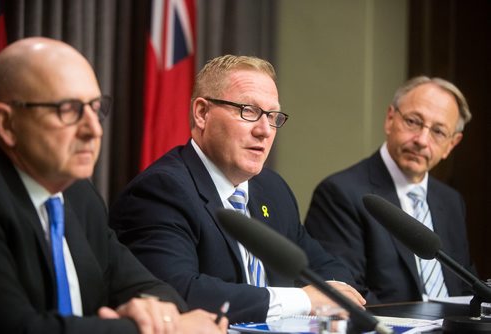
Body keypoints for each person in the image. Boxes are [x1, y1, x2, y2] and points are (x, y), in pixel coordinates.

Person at [0, 37, 227, 334]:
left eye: (95, 108)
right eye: (68, 109)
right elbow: (19, 328)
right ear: (6, 124)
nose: (93, 129)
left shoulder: (78, 195)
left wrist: (152, 311)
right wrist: (148, 329)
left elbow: (153, 289)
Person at [109, 54, 366, 324]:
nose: (265, 130)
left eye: (272, 115)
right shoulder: (162, 191)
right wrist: (303, 301)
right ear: (202, 113)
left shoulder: (272, 189)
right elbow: (177, 292)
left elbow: (326, 268)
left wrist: (334, 293)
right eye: (249, 111)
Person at [305, 76, 475, 305]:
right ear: (390, 119)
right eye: (413, 122)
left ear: (451, 144)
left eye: (438, 132)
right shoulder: (340, 193)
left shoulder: (452, 201)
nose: (422, 140)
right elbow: (347, 292)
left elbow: (465, 286)